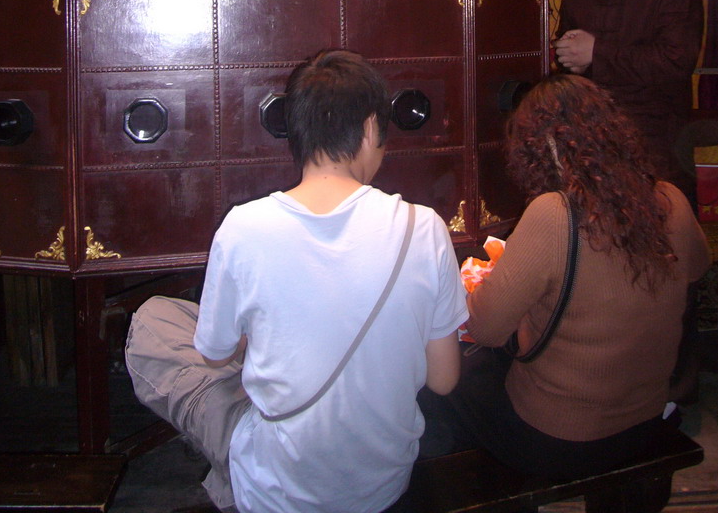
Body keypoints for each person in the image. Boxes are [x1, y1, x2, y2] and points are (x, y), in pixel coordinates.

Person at [125, 49, 467, 513]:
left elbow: (213, 354)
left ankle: (235, 484)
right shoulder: (424, 228)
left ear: (295, 132)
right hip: (382, 486)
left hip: (280, 485)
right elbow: (444, 379)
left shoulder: (244, 227)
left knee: (152, 320)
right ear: (370, 129)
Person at [420, 75, 710, 488]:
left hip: (561, 439)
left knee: (438, 386)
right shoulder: (669, 199)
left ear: (546, 148)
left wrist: (493, 288)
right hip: (644, 419)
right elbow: (697, 267)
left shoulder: (553, 214)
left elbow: (482, 327)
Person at [554, 0, 704, 188]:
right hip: (591, 132)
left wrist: (597, 52)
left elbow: (677, 62)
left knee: (657, 227)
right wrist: (569, 59)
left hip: (655, 135)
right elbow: (568, 54)